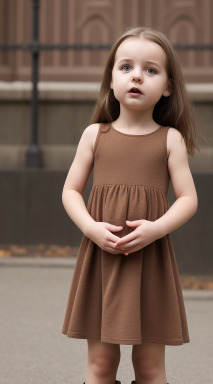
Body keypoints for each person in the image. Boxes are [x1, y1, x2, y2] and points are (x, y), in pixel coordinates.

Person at [62, 26, 199, 384]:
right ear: (111, 79)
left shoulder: (171, 140)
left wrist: (156, 229)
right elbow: (70, 191)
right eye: (126, 67)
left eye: (151, 70)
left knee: (151, 368)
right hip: (102, 259)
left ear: (168, 87)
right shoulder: (95, 135)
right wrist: (91, 227)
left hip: (149, 260)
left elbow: (188, 199)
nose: (137, 75)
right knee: (101, 365)